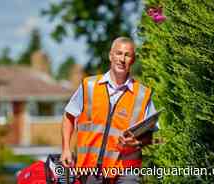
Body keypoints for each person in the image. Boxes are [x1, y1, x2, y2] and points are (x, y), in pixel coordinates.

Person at [60, 37, 158, 184]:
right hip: (91, 169)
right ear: (110, 55)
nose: (122, 59)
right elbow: (69, 117)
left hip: (126, 171)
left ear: (133, 59)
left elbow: (151, 135)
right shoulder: (89, 85)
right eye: (118, 53)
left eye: (127, 55)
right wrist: (66, 149)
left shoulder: (142, 94)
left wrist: (137, 143)